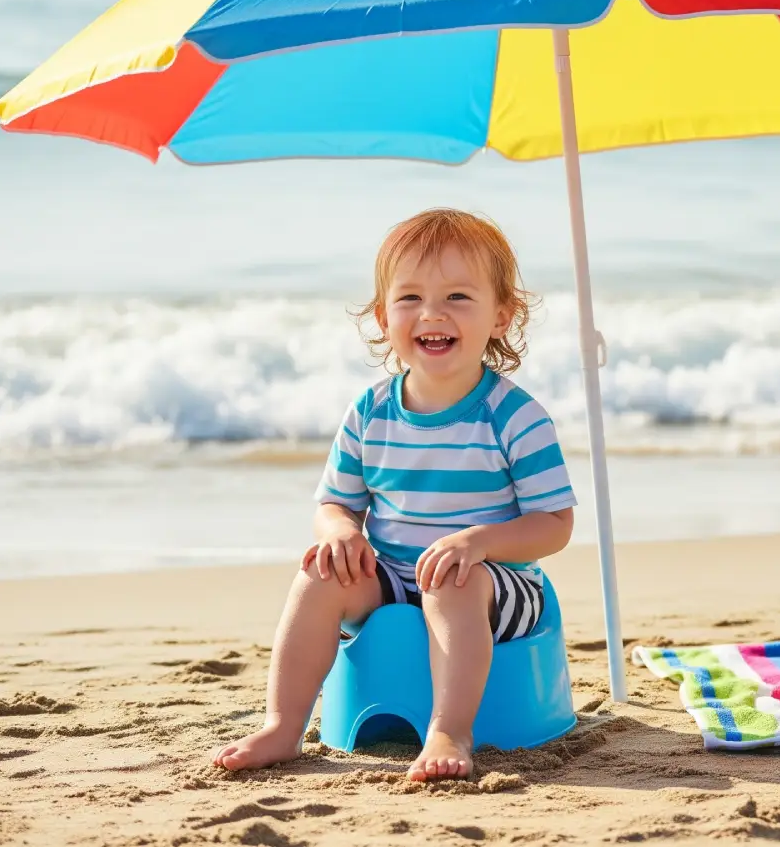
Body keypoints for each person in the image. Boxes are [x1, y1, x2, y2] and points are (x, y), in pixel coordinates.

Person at [212, 208, 577, 782]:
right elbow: (335, 502)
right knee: (317, 573)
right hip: (395, 578)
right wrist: (340, 533)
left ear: (501, 316)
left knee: (452, 584)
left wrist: (478, 543)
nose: (432, 313)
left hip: (495, 586)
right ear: (384, 317)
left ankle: (449, 731)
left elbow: (554, 523)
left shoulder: (515, 418)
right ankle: (283, 725)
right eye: (410, 298)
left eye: (458, 296)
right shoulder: (371, 411)